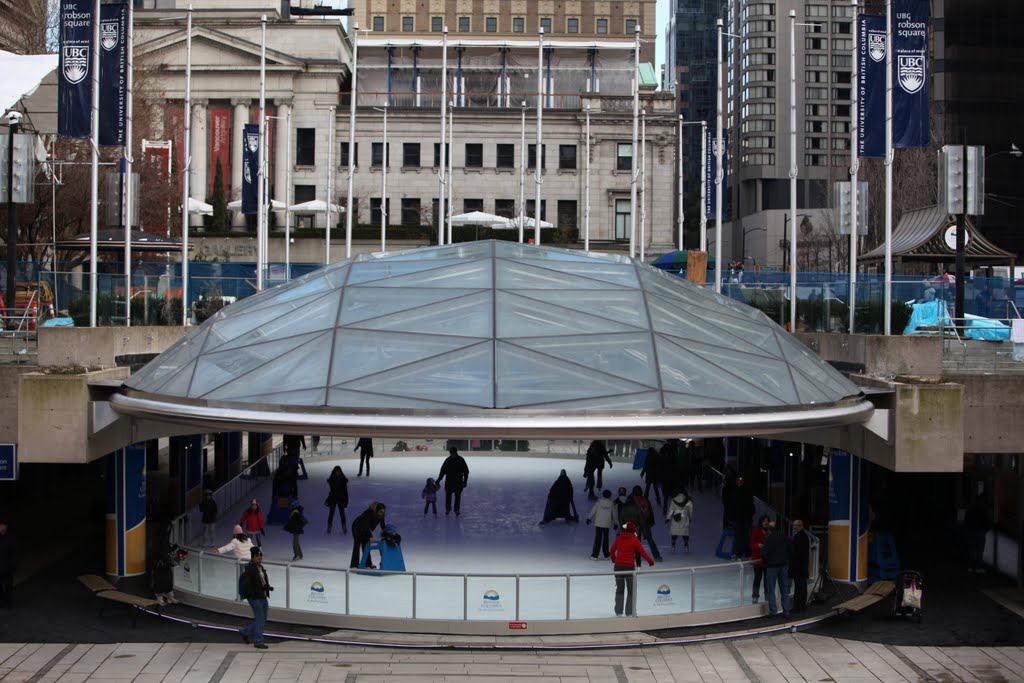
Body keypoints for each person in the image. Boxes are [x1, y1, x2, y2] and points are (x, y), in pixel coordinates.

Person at [609, 521, 654, 616]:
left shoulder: (619, 538)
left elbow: (612, 550)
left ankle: (618, 612)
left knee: (619, 589)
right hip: (629, 568)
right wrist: (650, 561)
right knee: (631, 590)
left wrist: (614, 560)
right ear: (632, 530)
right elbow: (642, 552)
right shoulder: (634, 539)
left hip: (618, 568)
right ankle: (629, 612)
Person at [238, 547, 273, 649]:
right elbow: (250, 585)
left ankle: (245, 631)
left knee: (263, 618)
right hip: (255, 597)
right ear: (252, 557)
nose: (259, 558)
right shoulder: (250, 570)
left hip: (263, 596)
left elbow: (262, 582)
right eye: (257, 556)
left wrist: (267, 587)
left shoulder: (260, 568)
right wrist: (258, 590)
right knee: (260, 619)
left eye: (260, 555)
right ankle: (258, 641)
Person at [620, 487, 662, 562]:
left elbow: (627, 510)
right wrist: (651, 521)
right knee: (650, 539)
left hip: (635, 522)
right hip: (645, 522)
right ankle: (657, 556)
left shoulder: (631, 499)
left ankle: (636, 556)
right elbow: (650, 510)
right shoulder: (645, 499)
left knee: (636, 540)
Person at [761, 522, 791, 617]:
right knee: (784, 589)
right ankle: (786, 611)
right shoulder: (784, 537)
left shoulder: (769, 539)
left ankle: (773, 611)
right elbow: (789, 548)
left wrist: (766, 559)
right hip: (783, 566)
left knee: (771, 589)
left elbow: (765, 552)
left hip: (772, 567)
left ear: (769, 529)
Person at [350, 502, 387, 568]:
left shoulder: (381, 515)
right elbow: (366, 525)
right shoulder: (368, 513)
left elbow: (383, 526)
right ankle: (354, 565)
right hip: (357, 527)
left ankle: (368, 563)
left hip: (365, 529)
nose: (382, 513)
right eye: (381, 511)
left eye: (383, 511)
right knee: (357, 544)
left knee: (366, 544)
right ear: (377, 510)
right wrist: (370, 536)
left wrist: (386, 535)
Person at [437, 447, 470, 516]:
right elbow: (442, 471)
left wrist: (465, 481)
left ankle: (456, 510)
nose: (452, 454)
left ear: (456, 452)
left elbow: (466, 471)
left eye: (453, 453)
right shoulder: (448, 460)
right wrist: (438, 480)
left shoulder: (461, 460)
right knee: (448, 497)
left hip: (458, 482)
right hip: (449, 482)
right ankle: (448, 509)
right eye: (451, 453)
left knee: (457, 497)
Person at [728, 476, 755, 559]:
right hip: (744, 518)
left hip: (740, 518)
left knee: (740, 535)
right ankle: (746, 552)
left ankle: (740, 552)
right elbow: (751, 506)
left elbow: (732, 506)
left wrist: (731, 517)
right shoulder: (747, 492)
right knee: (745, 535)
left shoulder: (735, 492)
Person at [587, 490, 619, 560]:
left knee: (598, 539)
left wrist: (589, 518)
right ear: (610, 495)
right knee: (606, 539)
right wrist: (616, 523)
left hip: (598, 523)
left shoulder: (599, 503)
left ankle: (594, 555)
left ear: (603, 495)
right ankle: (606, 555)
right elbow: (614, 515)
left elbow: (593, 510)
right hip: (606, 524)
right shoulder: (612, 504)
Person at [964, 497, 990, 574]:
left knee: (971, 550)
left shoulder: (970, 510)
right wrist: (985, 530)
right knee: (980, 551)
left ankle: (971, 567)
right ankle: (978, 567)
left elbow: (966, 521)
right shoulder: (984, 511)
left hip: (971, 532)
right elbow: (987, 522)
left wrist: (968, 530)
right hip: (980, 532)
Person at [790, 518, 810, 612]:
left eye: (796, 525)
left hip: (799, 568)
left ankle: (798, 606)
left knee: (800, 587)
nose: (794, 527)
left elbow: (798, 553)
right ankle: (800, 605)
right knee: (801, 586)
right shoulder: (801, 536)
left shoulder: (801, 537)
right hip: (801, 567)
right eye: (794, 525)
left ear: (801, 526)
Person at [750, 515, 771, 603]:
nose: (765, 523)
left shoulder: (770, 532)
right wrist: (757, 545)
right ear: (761, 522)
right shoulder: (756, 531)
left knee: (767, 580)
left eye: (767, 521)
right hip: (758, 561)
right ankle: (755, 596)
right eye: (764, 521)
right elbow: (751, 544)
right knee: (757, 579)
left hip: (768, 560)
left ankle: (767, 597)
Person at [325, 466, 349, 534]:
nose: (338, 473)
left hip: (341, 499)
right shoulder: (332, 480)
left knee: (342, 514)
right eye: (336, 471)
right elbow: (332, 491)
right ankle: (329, 527)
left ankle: (344, 527)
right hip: (333, 498)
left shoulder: (343, 480)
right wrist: (329, 499)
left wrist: (346, 500)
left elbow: (345, 492)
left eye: (339, 471)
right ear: (334, 472)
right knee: (331, 513)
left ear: (341, 472)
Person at [0, 518, 14, 609]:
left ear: (5, 527)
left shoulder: (10, 538)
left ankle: (8, 602)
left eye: (1, 525)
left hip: (7, 567)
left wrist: (12, 566)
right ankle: (3, 599)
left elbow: (14, 553)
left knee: (8, 585)